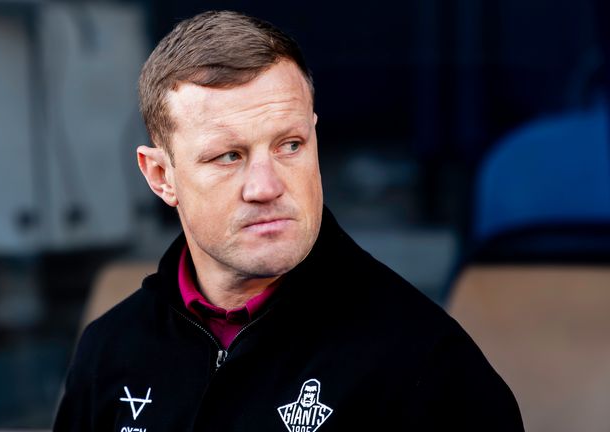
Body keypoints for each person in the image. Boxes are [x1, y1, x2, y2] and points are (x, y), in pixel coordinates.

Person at [54, 10, 523, 431]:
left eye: (290, 145)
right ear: (161, 176)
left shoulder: (424, 363)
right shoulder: (110, 350)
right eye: (228, 156)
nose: (266, 186)